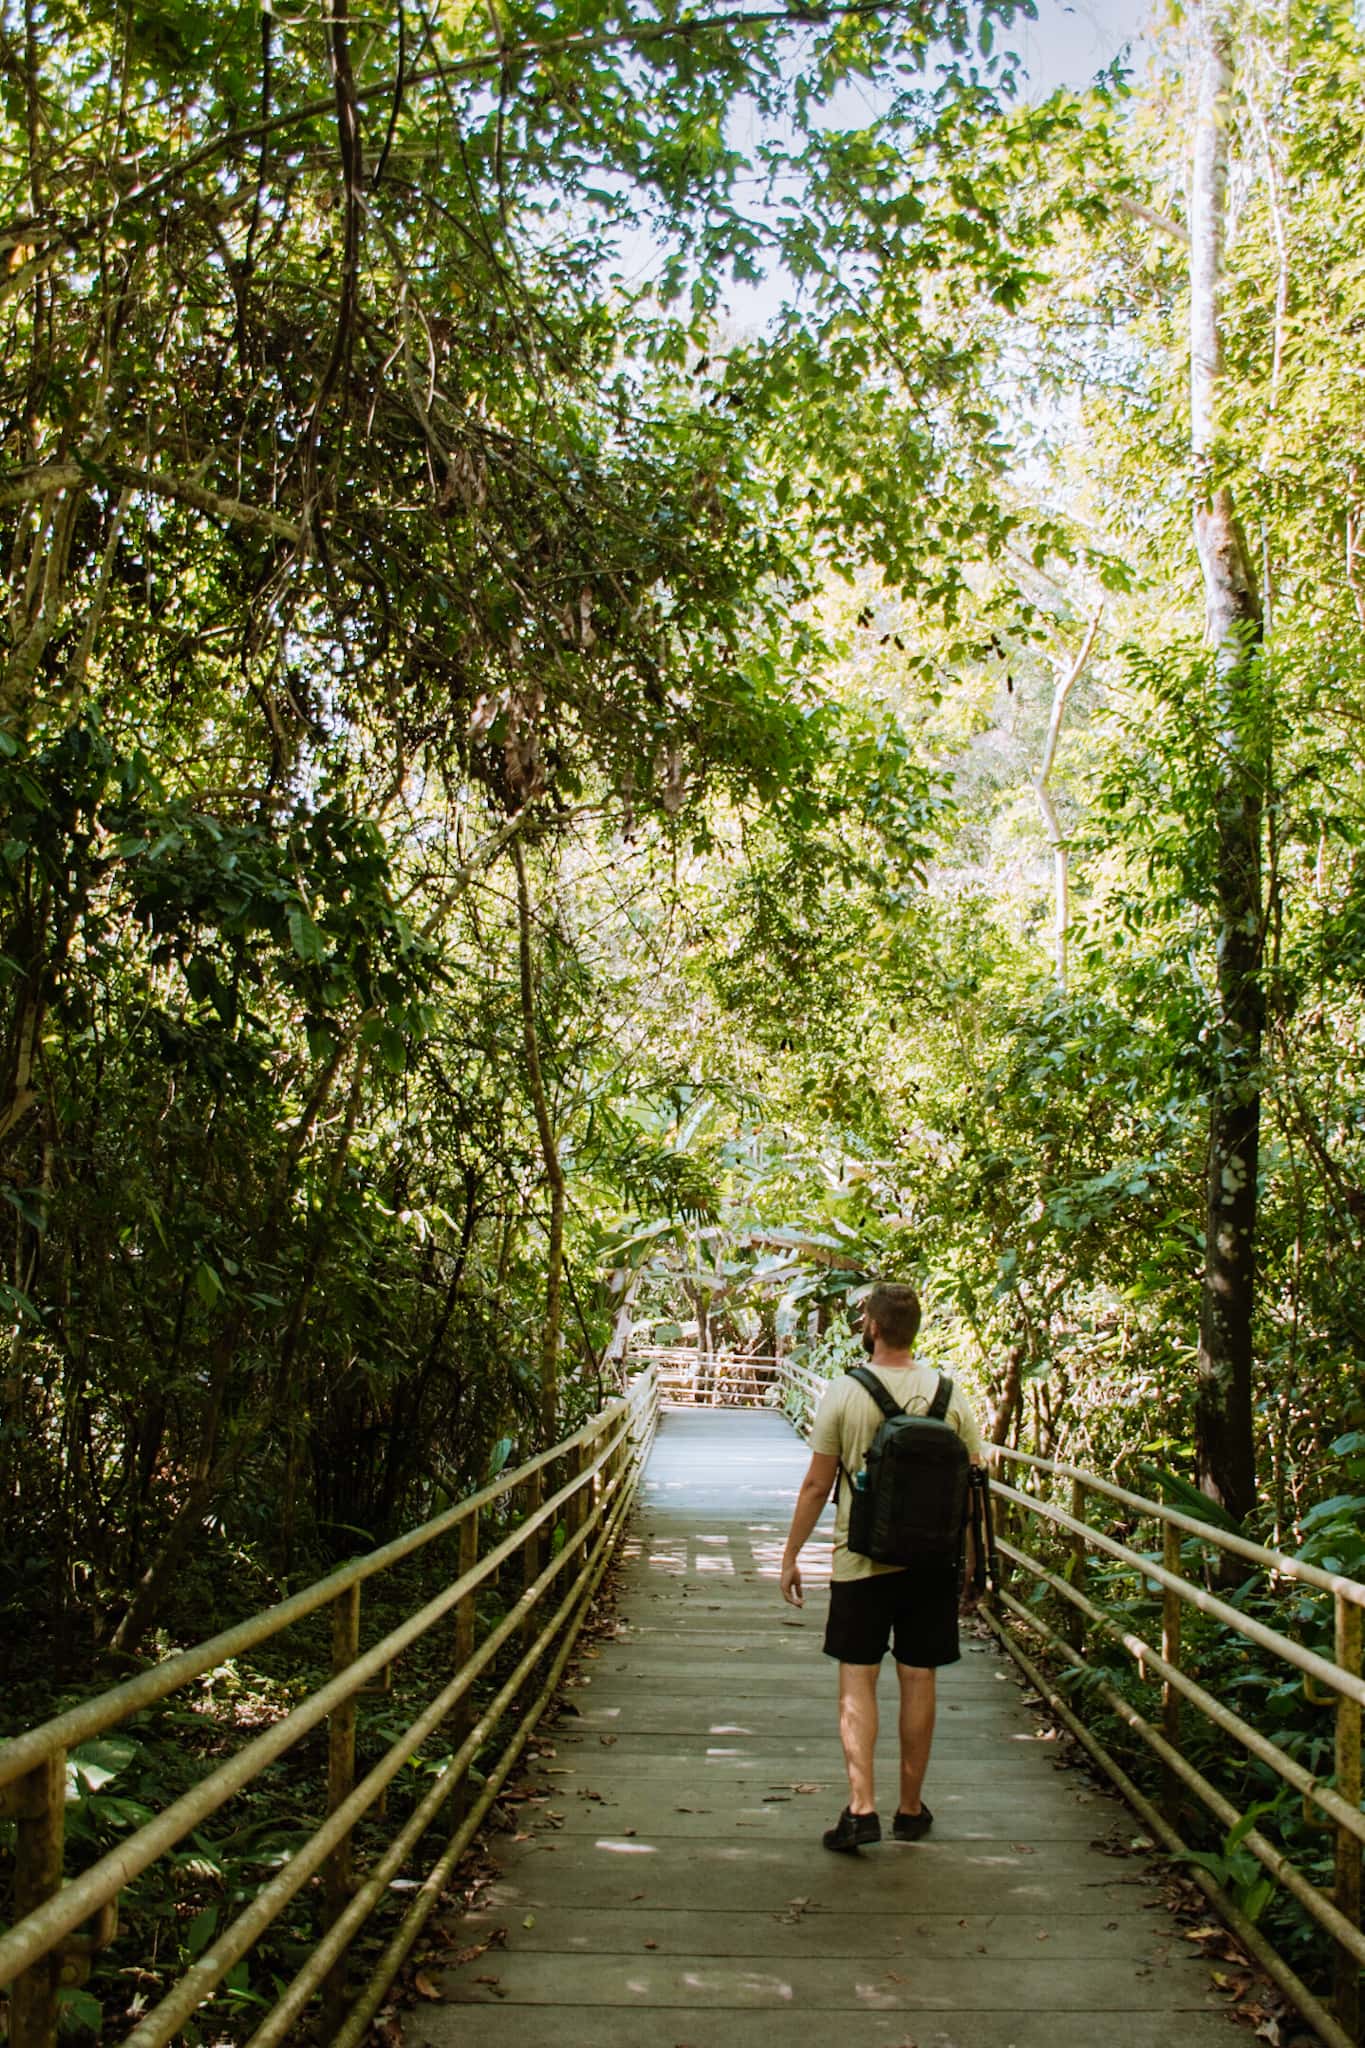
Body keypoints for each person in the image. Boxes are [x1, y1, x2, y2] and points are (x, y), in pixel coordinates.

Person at [779, 1281, 987, 1852]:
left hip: (860, 1559)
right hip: (932, 1564)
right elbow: (972, 1489)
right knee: (920, 1677)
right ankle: (911, 1809)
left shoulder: (845, 1392)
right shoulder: (950, 1392)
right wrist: (974, 1563)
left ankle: (861, 1808)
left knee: (858, 1676)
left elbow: (819, 1483)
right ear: (915, 1328)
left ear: (870, 1326)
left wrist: (792, 1554)